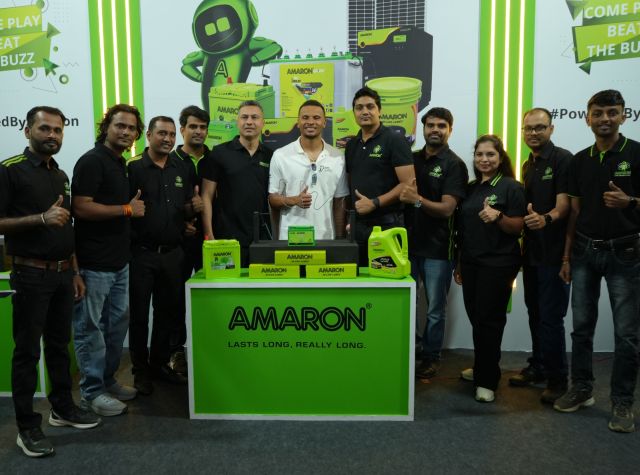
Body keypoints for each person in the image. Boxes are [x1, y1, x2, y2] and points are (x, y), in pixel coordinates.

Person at [0, 106, 100, 458]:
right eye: (44, 128)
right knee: (27, 352)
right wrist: (40, 218)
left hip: (61, 274)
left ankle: (62, 408)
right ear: (27, 131)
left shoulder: (59, 174)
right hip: (30, 274)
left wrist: (74, 270)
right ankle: (27, 427)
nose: (52, 135)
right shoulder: (9, 170)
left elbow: (66, 225)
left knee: (59, 346)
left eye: (58, 130)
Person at [554, 90, 640, 433]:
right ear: (587, 117)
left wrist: (630, 202)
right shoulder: (579, 160)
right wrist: (566, 256)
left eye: (612, 112)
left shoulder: (636, 153)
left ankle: (622, 402)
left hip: (627, 253)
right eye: (599, 113)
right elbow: (574, 213)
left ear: (623, 116)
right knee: (581, 327)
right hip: (585, 253)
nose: (605, 118)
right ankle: (582, 388)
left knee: (627, 335)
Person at [72, 104, 145, 417]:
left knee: (115, 328)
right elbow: (81, 207)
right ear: (107, 127)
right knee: (91, 330)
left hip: (119, 262)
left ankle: (107, 380)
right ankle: (91, 392)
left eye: (131, 128)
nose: (126, 132)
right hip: (93, 264)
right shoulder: (92, 161)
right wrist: (126, 209)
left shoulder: (120, 163)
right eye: (120, 125)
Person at [127, 116, 202, 395]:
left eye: (171, 134)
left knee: (166, 314)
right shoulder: (133, 168)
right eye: (162, 133)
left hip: (173, 254)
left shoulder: (182, 167)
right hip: (141, 255)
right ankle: (140, 371)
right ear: (148, 135)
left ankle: (159, 365)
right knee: (139, 316)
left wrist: (193, 209)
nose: (168, 139)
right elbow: (125, 210)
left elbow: (184, 208)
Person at [455, 135, 525, 403]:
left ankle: (487, 380)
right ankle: (483, 367)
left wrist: (499, 216)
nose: (484, 159)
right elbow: (464, 230)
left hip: (498, 264)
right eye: (479, 155)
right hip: (471, 262)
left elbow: (518, 227)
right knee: (477, 318)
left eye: (490, 154)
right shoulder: (471, 188)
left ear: (500, 157)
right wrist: (460, 263)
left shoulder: (511, 187)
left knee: (489, 320)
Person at [508, 108, 572, 404]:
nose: (533, 133)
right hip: (532, 253)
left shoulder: (562, 159)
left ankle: (558, 380)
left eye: (540, 127)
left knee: (551, 318)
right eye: (528, 128)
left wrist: (546, 218)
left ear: (551, 129)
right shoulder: (528, 164)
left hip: (555, 254)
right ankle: (539, 366)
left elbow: (564, 206)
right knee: (535, 313)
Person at [399, 107, 468, 379]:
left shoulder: (454, 165)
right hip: (406, 247)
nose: (435, 130)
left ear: (450, 130)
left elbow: (447, 209)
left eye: (441, 125)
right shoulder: (411, 159)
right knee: (407, 304)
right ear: (423, 128)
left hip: (438, 249)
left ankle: (431, 357)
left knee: (435, 309)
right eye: (430, 125)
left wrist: (416, 200)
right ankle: (411, 350)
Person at [345, 87, 415, 266]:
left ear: (379, 110)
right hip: (357, 230)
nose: (365, 111)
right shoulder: (351, 145)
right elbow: (350, 184)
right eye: (359, 108)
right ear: (354, 113)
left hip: (387, 228)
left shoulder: (395, 140)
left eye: (370, 106)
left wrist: (374, 202)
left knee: (385, 281)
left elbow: (408, 185)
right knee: (358, 280)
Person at [200, 100, 273, 266]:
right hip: (226, 240)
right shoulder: (219, 153)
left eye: (255, 117)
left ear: (263, 123)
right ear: (237, 121)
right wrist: (209, 236)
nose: (249, 122)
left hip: (262, 240)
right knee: (227, 282)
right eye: (244, 117)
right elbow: (206, 196)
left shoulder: (271, 156)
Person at [169, 105, 210, 375]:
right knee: (175, 300)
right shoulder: (169, 160)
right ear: (182, 129)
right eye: (193, 126)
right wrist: (183, 221)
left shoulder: (215, 158)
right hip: (178, 243)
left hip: (211, 242)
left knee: (211, 298)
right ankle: (176, 352)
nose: (198, 131)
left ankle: (210, 347)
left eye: (202, 127)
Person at [269, 100, 348, 239]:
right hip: (290, 238)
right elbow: (272, 199)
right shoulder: (280, 155)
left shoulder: (337, 157)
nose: (311, 122)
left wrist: (340, 240)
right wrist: (294, 200)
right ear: (298, 122)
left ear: (324, 122)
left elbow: (339, 201)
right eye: (305, 117)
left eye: (316, 118)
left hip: (326, 238)